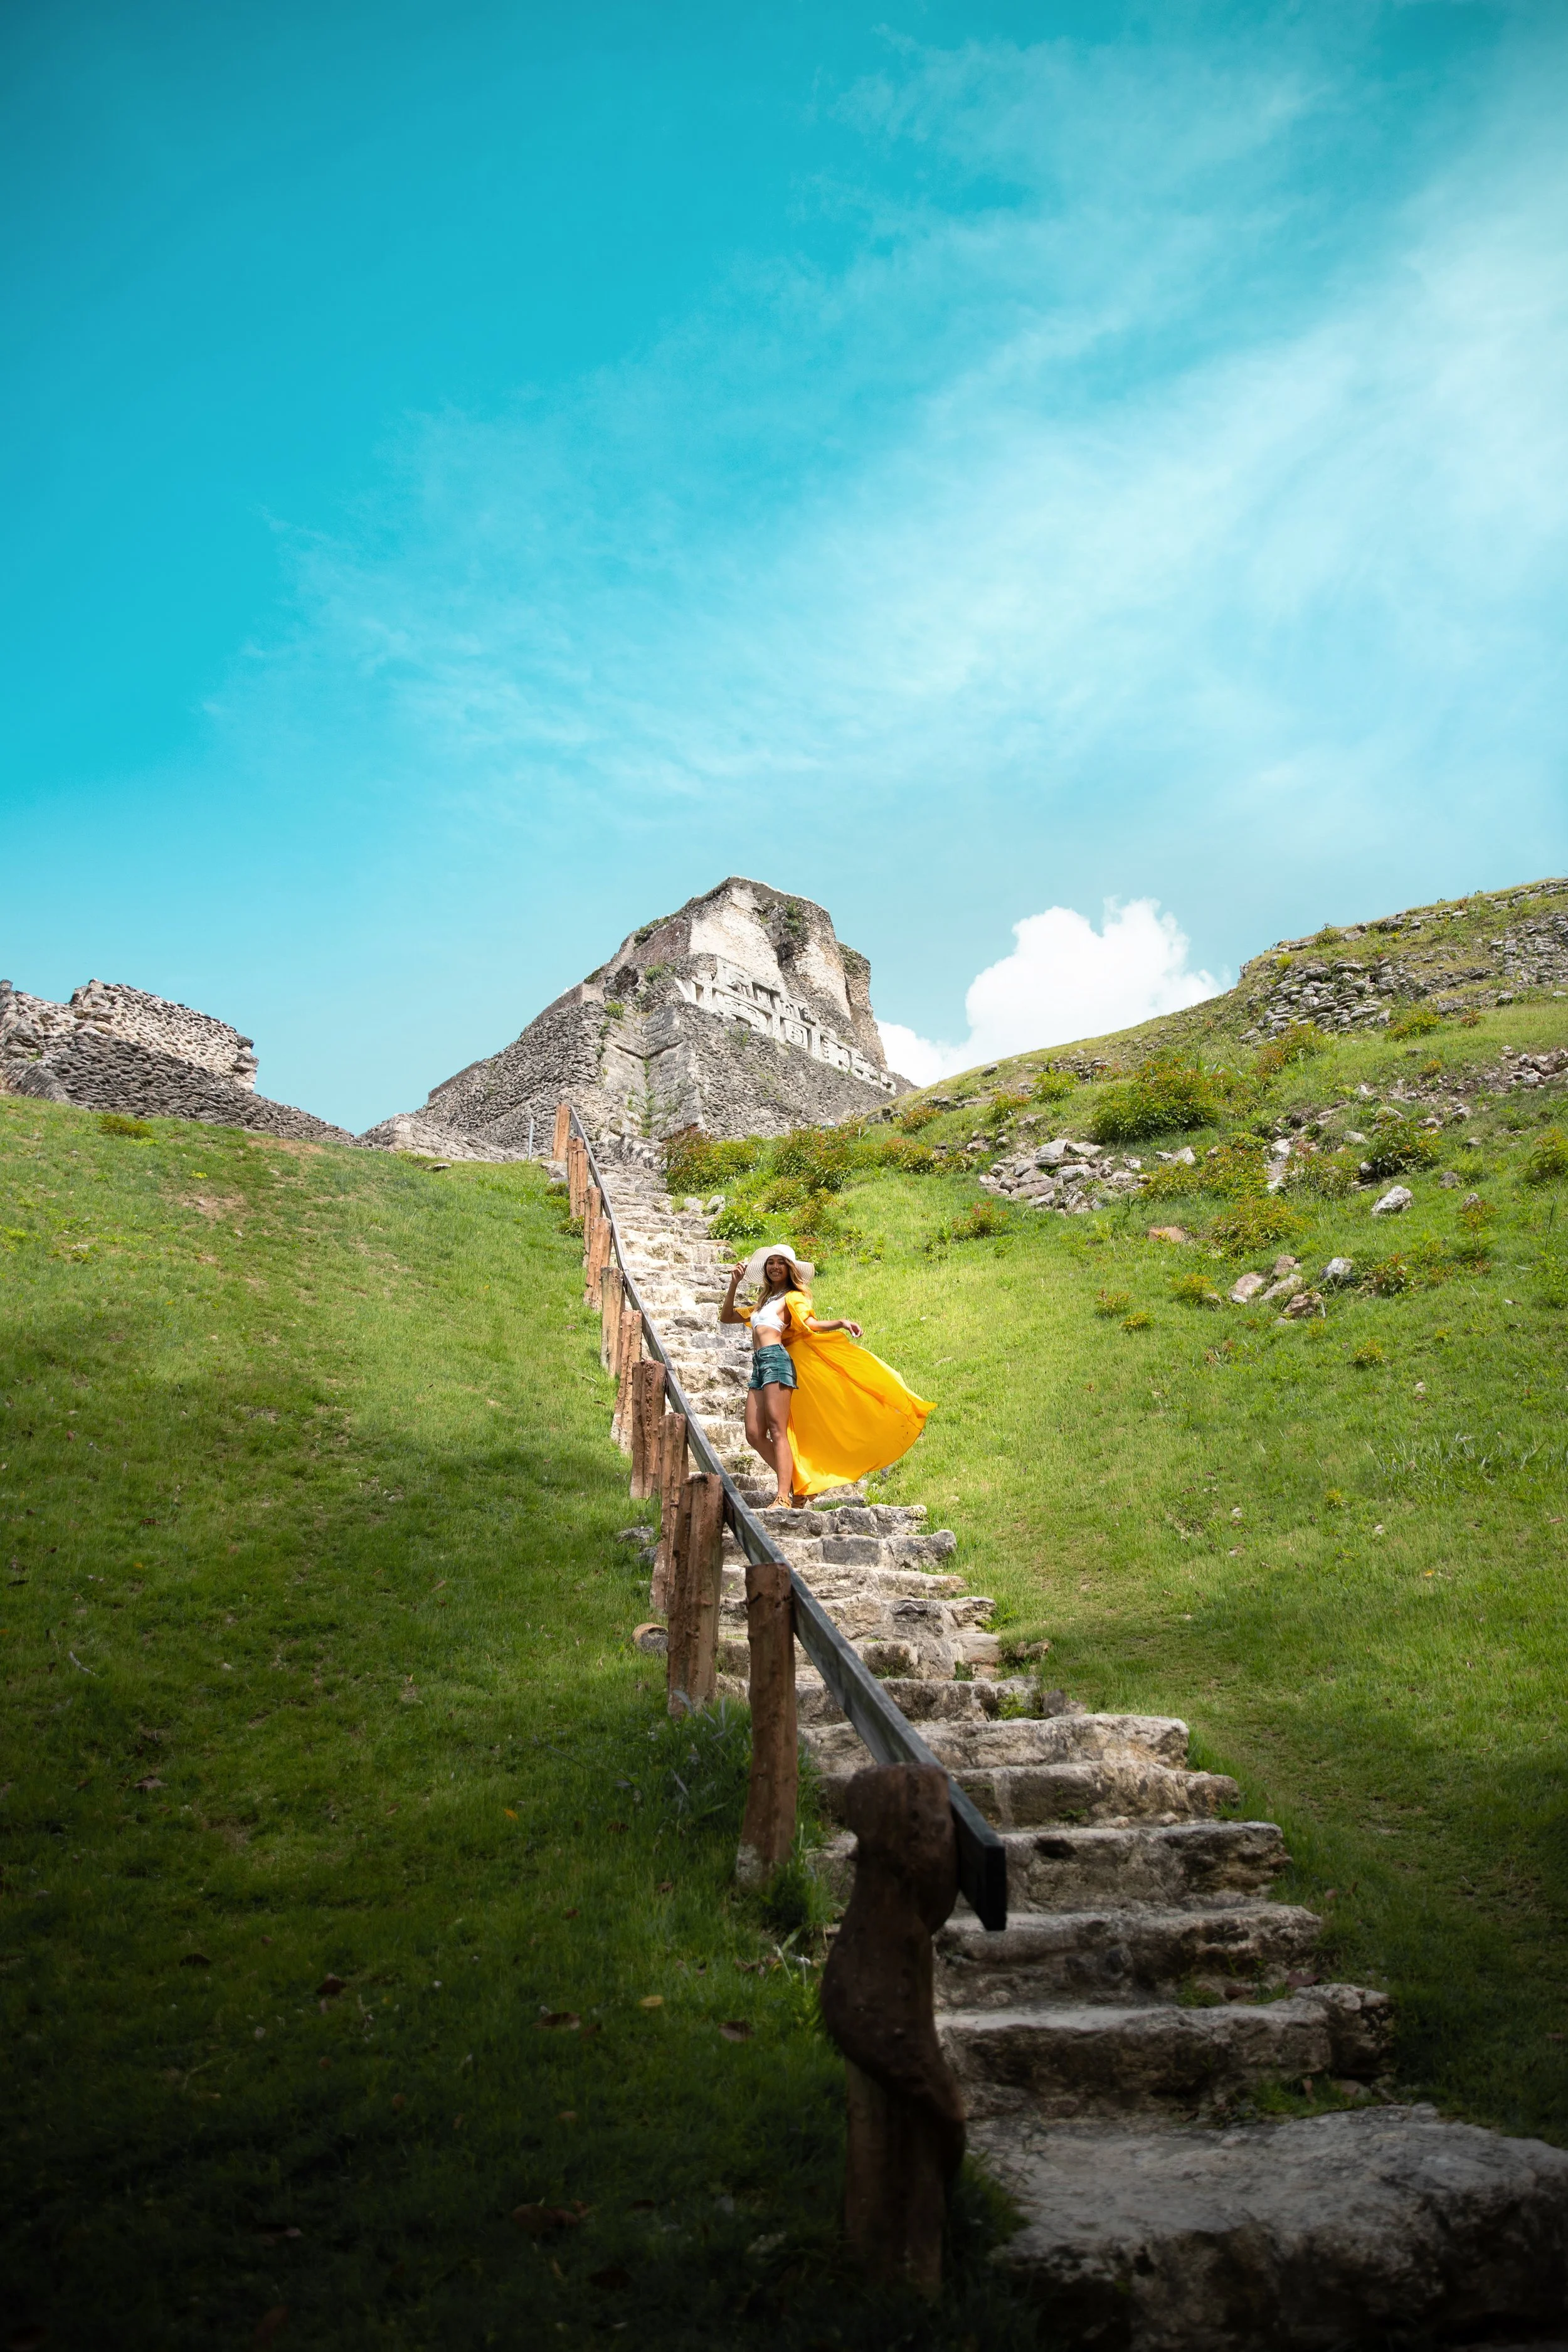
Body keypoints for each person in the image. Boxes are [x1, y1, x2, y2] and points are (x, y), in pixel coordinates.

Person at [720, 1241, 933, 1507]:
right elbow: (726, 1316)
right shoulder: (762, 1304)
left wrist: (841, 1322)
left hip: (776, 1360)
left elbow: (810, 1323)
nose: (775, 1267)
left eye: (781, 1263)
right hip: (759, 1364)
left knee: (778, 1429)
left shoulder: (792, 1298)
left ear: (789, 1269)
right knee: (753, 1433)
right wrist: (734, 1284)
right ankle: (801, 1485)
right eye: (771, 1263)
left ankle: (784, 1496)